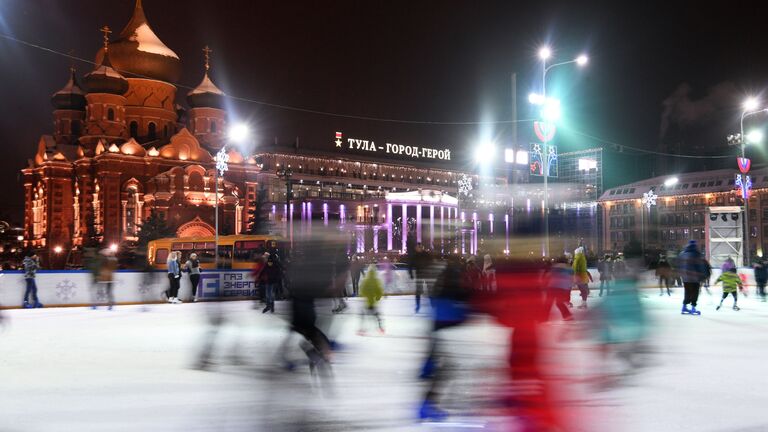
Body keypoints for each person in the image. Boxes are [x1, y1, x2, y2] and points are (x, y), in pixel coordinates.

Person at [678, 240, 707, 315]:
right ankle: (693, 308)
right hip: (694, 277)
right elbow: (700, 266)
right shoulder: (696, 254)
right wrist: (703, 275)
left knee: (687, 292)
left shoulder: (682, 254)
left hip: (685, 278)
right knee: (694, 292)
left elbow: (678, 265)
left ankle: (684, 307)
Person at [358, 264, 385, 335]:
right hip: (373, 303)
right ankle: (380, 328)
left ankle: (361, 329)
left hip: (367, 303)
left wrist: (364, 295)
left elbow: (362, 290)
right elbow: (379, 290)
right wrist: (378, 297)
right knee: (377, 316)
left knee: (362, 315)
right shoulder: (376, 281)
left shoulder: (365, 280)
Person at [544, 256, 574, 321]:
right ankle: (567, 315)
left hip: (552, 286)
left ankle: (544, 317)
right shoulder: (569, 268)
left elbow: (548, 275)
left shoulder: (555, 266)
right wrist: (568, 287)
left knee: (548, 303)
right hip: (563, 288)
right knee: (559, 302)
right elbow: (572, 279)